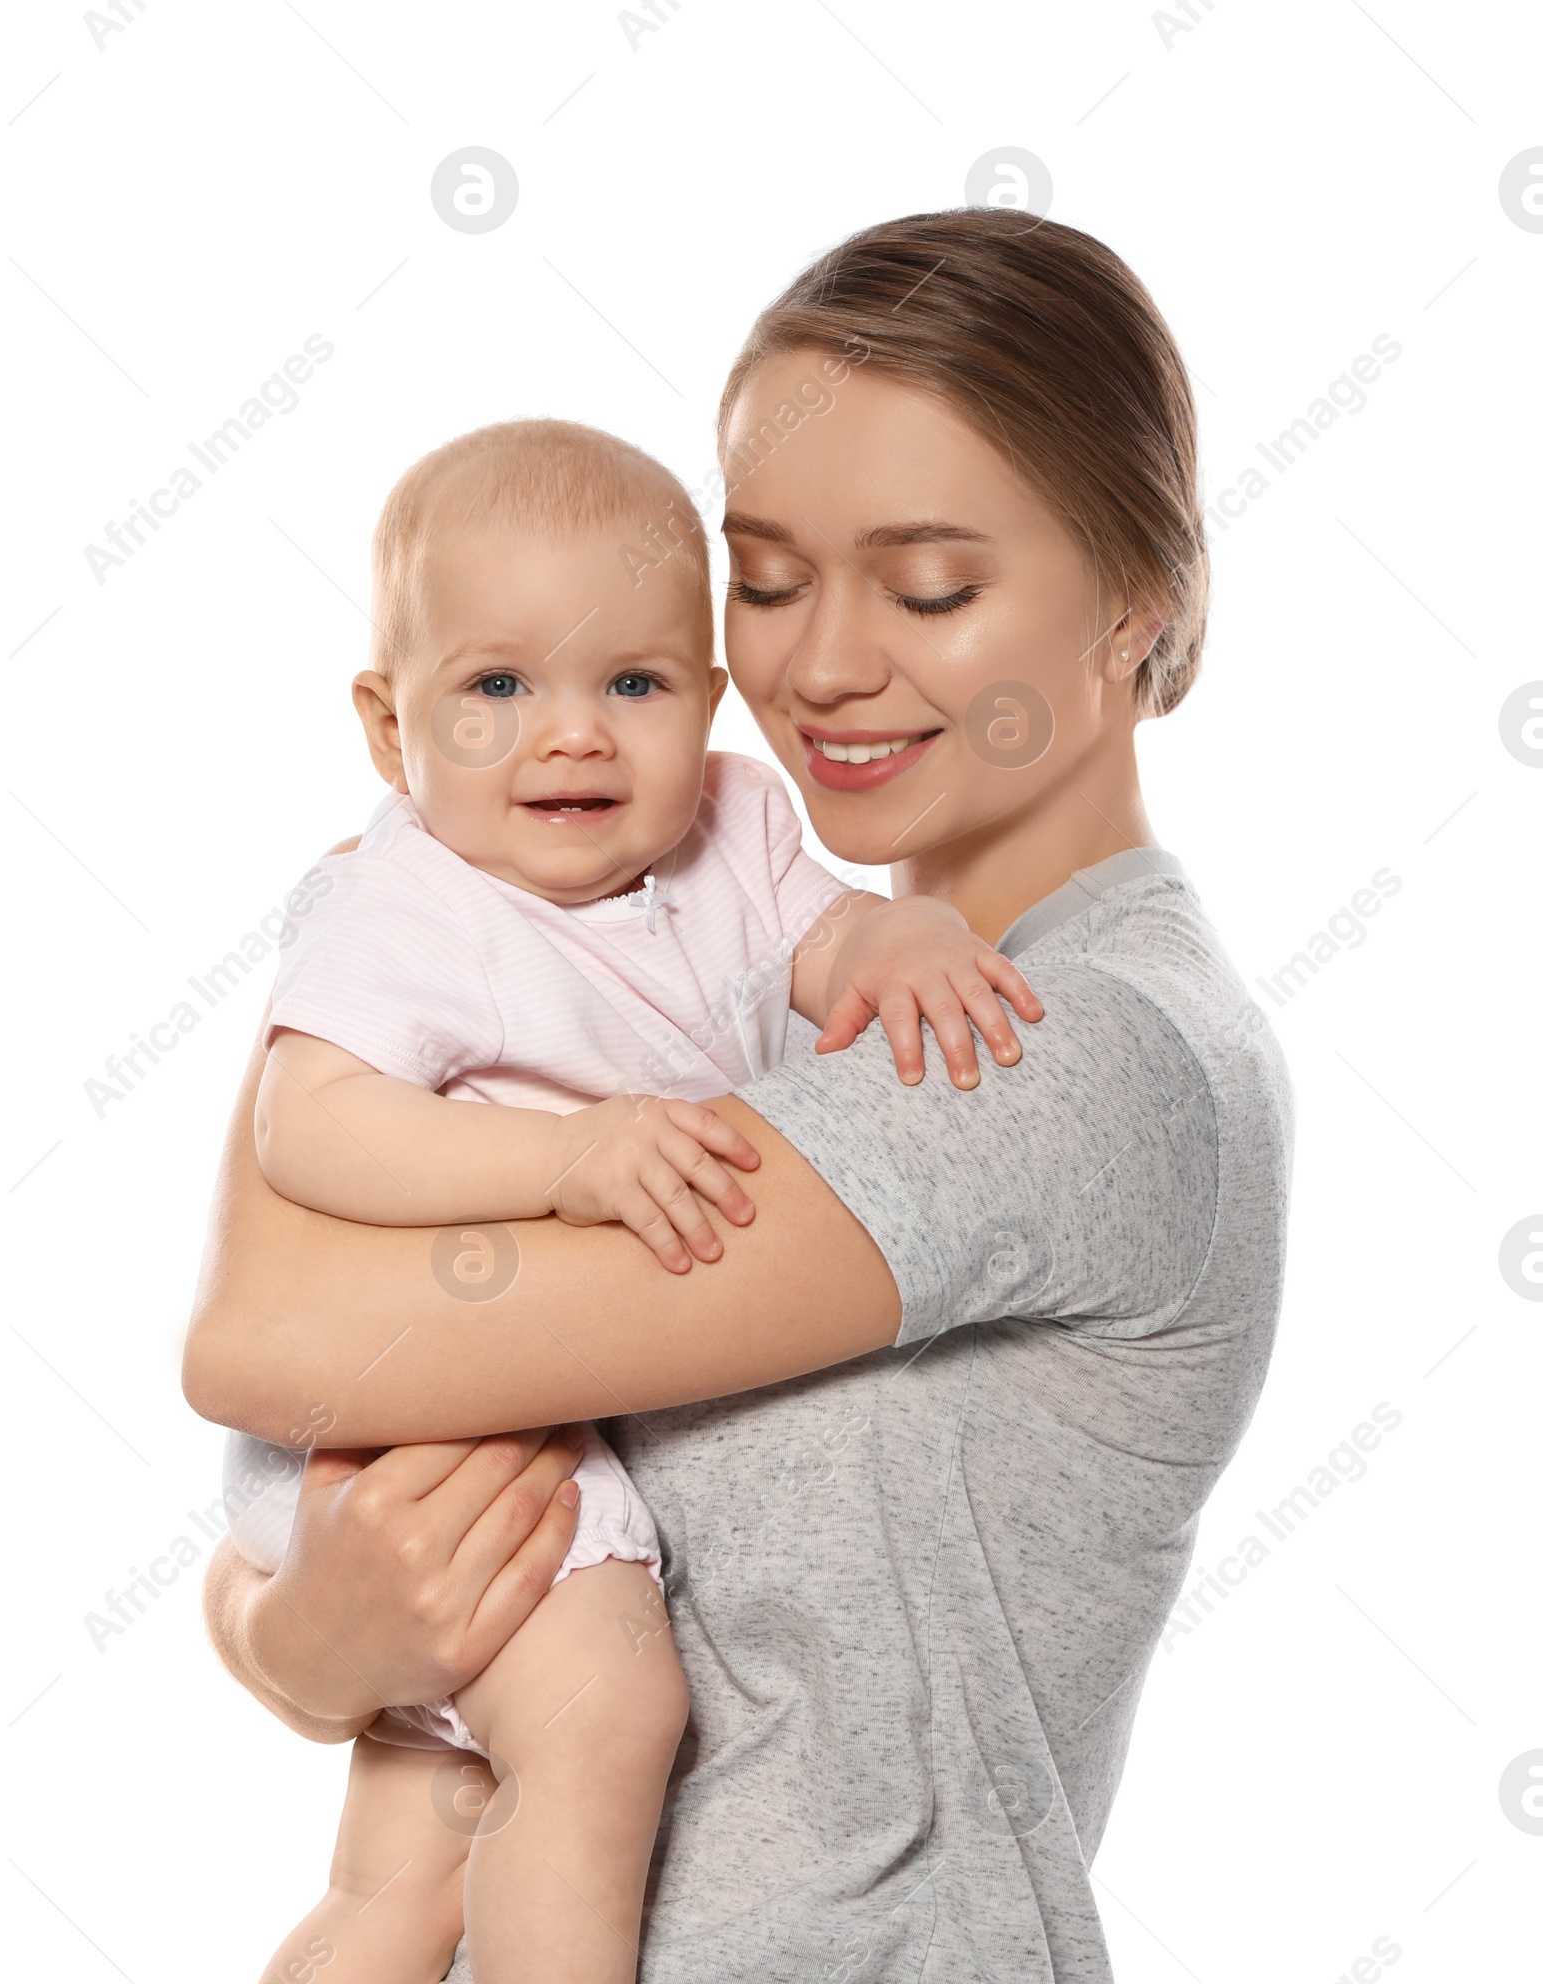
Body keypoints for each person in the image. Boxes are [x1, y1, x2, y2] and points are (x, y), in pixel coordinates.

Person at [185, 207, 1294, 1984]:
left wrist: (364, 901)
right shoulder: (718, 977)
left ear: (1138, 603)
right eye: (766, 578)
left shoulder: (1056, 1054)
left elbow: (260, 1334)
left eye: (930, 586)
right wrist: (296, 1639)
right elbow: (390, 1493)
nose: (822, 667)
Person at [239, 414, 1037, 1984]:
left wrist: (893, 948)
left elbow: (812, 950)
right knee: (610, 1720)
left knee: (403, 1874)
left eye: (634, 684)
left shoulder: (738, 826)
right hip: (440, 1429)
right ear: (390, 730)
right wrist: (565, 1157)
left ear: (710, 701)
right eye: (496, 688)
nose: (575, 737)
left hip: (534, 1407)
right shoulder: (404, 900)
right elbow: (307, 1124)